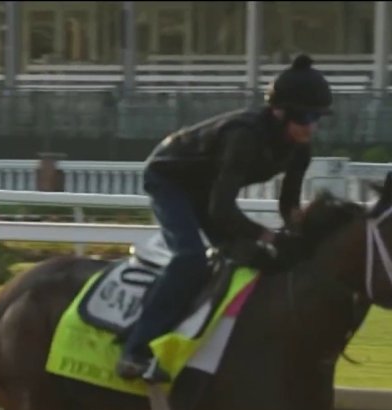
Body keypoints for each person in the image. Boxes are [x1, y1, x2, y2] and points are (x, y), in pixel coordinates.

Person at [115, 53, 333, 383]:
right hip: (170, 179)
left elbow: (288, 204)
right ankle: (135, 348)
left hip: (206, 190)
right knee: (190, 259)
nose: (311, 127)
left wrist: (301, 236)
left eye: (318, 118)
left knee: (252, 260)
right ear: (279, 112)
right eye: (304, 117)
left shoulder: (300, 148)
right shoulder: (244, 136)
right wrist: (270, 237)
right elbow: (222, 210)